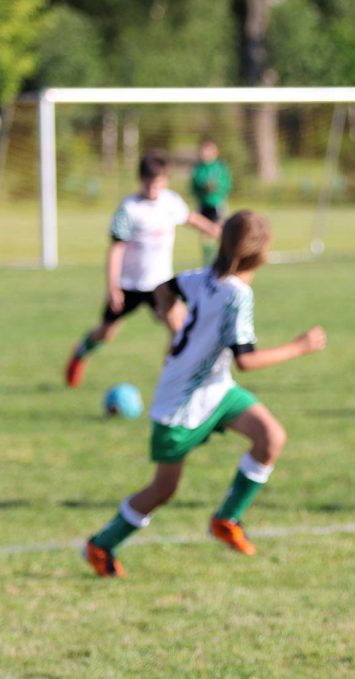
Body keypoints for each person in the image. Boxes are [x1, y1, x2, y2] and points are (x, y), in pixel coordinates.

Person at [83, 211, 327, 577]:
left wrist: (176, 330)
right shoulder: (237, 295)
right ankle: (101, 544)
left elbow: (164, 289)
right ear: (259, 255)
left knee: (270, 437)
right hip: (180, 403)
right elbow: (246, 360)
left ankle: (226, 519)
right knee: (163, 489)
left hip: (215, 389)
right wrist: (300, 347)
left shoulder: (204, 277)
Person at [64, 151, 221, 388]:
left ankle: (172, 378)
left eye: (158, 183)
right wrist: (112, 287)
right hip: (128, 285)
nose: (153, 188)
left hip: (160, 285)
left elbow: (191, 218)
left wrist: (217, 232)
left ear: (165, 181)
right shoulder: (129, 209)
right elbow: (115, 250)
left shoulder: (170, 201)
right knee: (106, 333)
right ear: (141, 180)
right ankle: (80, 351)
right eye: (148, 183)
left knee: (180, 330)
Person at [191, 138, 233, 266]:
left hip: (217, 204)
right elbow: (194, 185)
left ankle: (222, 259)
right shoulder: (199, 169)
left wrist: (217, 188)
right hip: (204, 204)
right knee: (205, 233)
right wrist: (204, 187)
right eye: (204, 151)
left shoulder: (220, 167)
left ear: (215, 152)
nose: (205, 154)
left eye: (208, 151)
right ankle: (207, 262)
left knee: (220, 231)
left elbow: (227, 184)